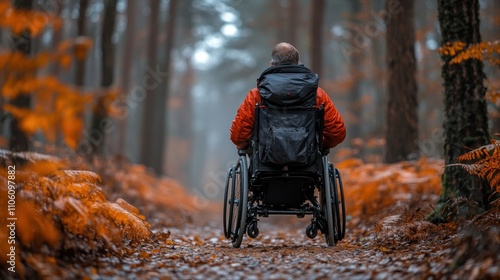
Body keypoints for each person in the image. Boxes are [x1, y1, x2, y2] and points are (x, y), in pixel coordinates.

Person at [230, 42, 346, 151]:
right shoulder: (317, 94)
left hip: (265, 164)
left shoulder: (257, 95)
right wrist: (319, 144)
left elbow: (238, 136)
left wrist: (246, 145)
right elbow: (337, 133)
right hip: (308, 163)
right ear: (298, 63)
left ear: (271, 64)